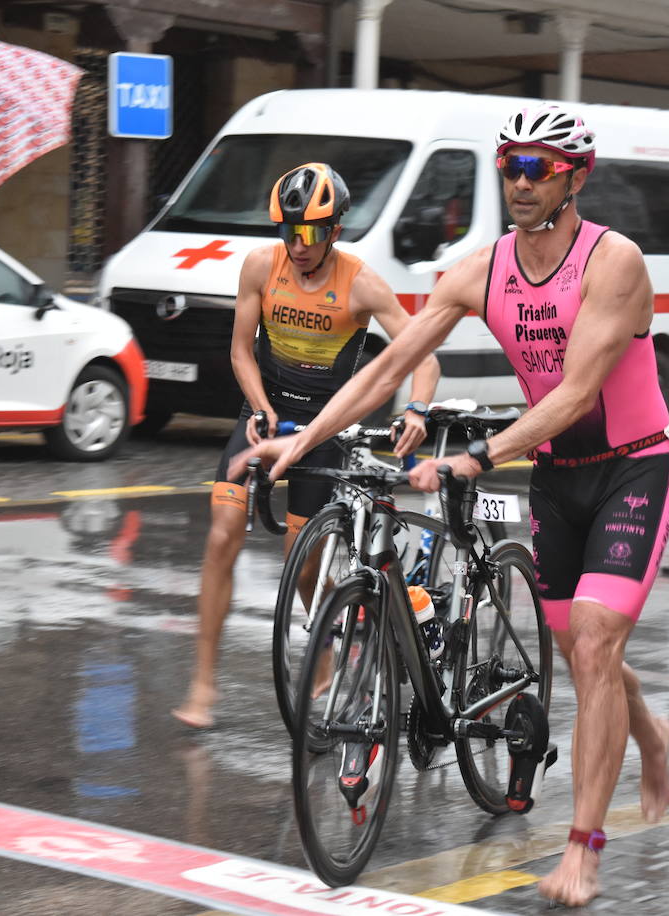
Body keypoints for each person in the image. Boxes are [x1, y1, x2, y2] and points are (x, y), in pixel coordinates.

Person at [239, 105, 669, 907]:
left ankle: (583, 846)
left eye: (535, 167)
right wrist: (298, 445)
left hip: (632, 468)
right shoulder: (481, 271)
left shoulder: (614, 263)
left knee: (592, 640)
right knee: (582, 646)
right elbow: (387, 367)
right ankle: (647, 729)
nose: (517, 180)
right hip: (555, 471)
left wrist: (477, 456)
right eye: (508, 163)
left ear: (574, 177)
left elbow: (579, 390)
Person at [172, 162, 441, 728]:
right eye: (288, 231)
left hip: (323, 428)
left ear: (336, 229)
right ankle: (202, 683)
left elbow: (425, 355)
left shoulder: (361, 283)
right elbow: (241, 351)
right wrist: (261, 408)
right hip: (262, 413)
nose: (298, 244)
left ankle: (323, 646)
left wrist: (416, 409)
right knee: (220, 534)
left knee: (304, 560)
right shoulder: (259, 267)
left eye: (312, 233)